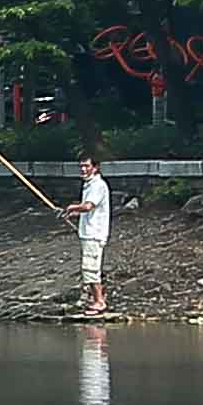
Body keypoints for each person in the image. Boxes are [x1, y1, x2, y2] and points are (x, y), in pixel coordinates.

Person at [73, 136, 114, 325]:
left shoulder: (98, 185)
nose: (83, 169)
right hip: (87, 233)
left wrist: (71, 208)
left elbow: (88, 206)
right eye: (81, 166)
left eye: (87, 166)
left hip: (94, 234)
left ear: (95, 167)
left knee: (91, 269)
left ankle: (99, 301)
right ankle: (95, 298)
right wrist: (69, 213)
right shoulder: (89, 184)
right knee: (88, 269)